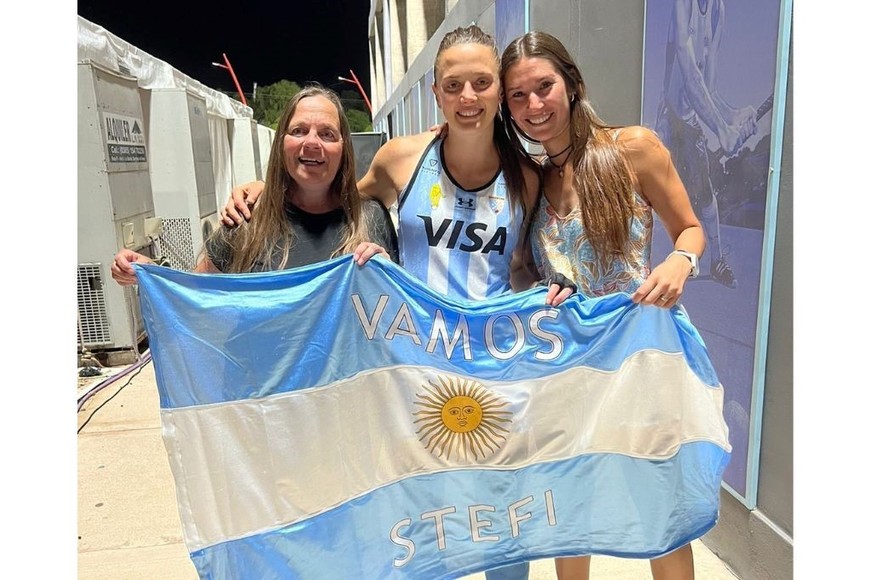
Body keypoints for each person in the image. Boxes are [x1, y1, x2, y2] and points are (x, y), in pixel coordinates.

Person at [218, 25, 541, 580]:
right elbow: (331, 195)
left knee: (500, 526)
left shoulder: (527, 178)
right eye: (454, 83)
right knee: (416, 526)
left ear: (498, 91)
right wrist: (259, 187)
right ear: (437, 92)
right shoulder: (400, 160)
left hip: (493, 367)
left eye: (482, 83)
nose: (468, 96)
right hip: (410, 369)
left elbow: (528, 264)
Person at [499, 31, 706, 579]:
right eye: (517, 96)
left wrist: (679, 263)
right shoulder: (530, 179)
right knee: (573, 509)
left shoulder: (632, 148)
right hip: (567, 366)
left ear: (572, 84)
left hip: (638, 357)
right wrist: (533, 291)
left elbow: (688, 229)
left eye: (543, 87)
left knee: (660, 506)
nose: (533, 106)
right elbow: (522, 266)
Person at [111, 84, 398, 284]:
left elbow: (399, 319)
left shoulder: (370, 219)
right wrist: (151, 275)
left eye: (327, 134)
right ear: (281, 144)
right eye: (298, 131)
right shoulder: (246, 219)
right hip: (262, 372)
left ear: (343, 147)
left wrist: (388, 279)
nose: (312, 142)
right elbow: (196, 292)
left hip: (350, 373)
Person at [653, 0, 757, 288]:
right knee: (649, 196)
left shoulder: (717, 11)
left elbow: (708, 89)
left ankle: (717, 259)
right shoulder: (683, 4)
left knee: (706, 196)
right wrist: (723, 129)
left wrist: (734, 115)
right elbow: (689, 76)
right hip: (668, 120)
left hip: (690, 122)